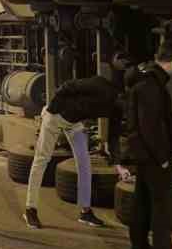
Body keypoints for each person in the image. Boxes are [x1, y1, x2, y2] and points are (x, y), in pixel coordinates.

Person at [22, 61, 127, 231]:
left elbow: (113, 138)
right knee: (42, 160)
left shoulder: (117, 110)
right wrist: (52, 109)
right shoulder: (100, 85)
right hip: (55, 116)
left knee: (84, 164)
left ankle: (85, 212)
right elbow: (68, 86)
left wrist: (118, 165)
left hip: (74, 123)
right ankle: (30, 209)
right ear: (121, 94)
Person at [121, 42, 172, 249]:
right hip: (155, 157)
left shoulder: (144, 83)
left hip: (143, 156)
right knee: (161, 209)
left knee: (142, 204)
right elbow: (151, 127)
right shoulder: (153, 88)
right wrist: (164, 157)